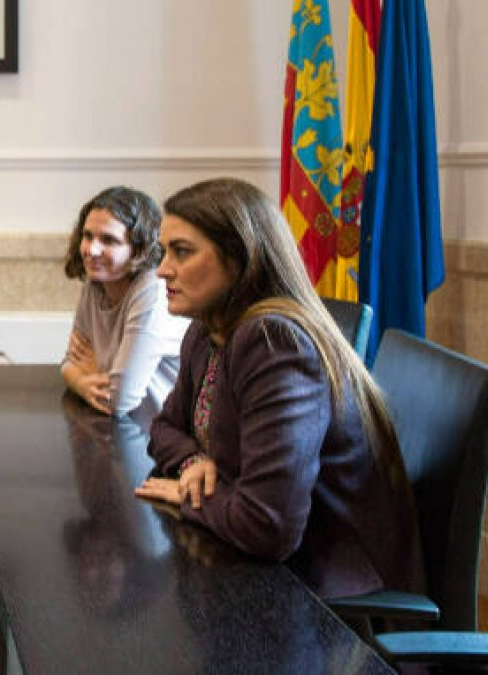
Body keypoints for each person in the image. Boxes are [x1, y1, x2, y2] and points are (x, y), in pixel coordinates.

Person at [133, 177, 422, 599]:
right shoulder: (206, 329)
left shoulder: (273, 342)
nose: (162, 270)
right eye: (164, 252)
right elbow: (164, 428)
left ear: (239, 259)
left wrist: (188, 495)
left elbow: (268, 525)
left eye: (182, 251)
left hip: (327, 598)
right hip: (258, 566)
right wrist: (195, 460)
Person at [60, 186, 189, 416]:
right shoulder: (95, 284)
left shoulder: (153, 291)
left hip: (158, 438)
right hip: (116, 429)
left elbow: (119, 400)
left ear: (139, 249)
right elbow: (69, 363)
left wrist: (90, 368)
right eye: (88, 236)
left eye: (109, 240)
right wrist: (80, 382)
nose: (92, 250)